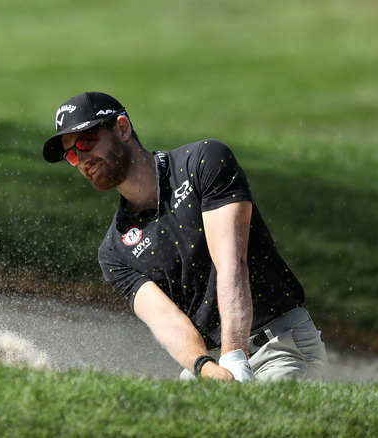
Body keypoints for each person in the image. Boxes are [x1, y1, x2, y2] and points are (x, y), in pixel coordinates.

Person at [42, 91, 328, 382]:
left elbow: (231, 263)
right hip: (213, 361)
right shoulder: (114, 251)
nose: (84, 159)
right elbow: (167, 321)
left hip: (279, 345)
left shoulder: (203, 163)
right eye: (73, 155)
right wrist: (205, 368)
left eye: (87, 141)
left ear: (123, 128)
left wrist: (233, 354)